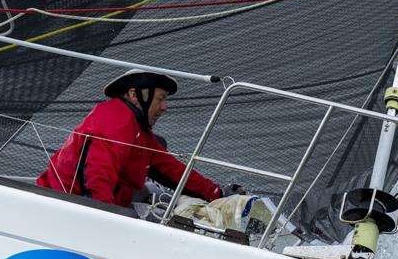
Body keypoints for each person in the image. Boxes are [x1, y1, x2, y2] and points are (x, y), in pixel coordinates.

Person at [37, 69, 244, 208]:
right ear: (135, 95)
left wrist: (216, 193)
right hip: (66, 209)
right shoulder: (115, 119)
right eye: (161, 99)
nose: (165, 108)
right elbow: (97, 178)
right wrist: (104, 220)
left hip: (91, 210)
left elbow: (172, 170)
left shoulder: (139, 132)